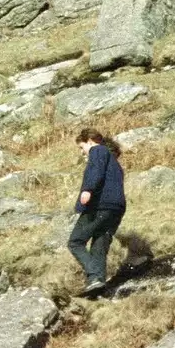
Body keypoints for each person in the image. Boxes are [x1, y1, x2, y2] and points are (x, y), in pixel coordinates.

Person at [67, 127, 126, 297]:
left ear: (90, 141)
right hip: (116, 209)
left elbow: (95, 171)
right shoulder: (115, 164)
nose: (82, 152)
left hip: (100, 206)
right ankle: (98, 285)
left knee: (76, 242)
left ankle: (94, 276)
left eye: (81, 147)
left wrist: (87, 189)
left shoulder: (98, 150)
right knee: (99, 245)